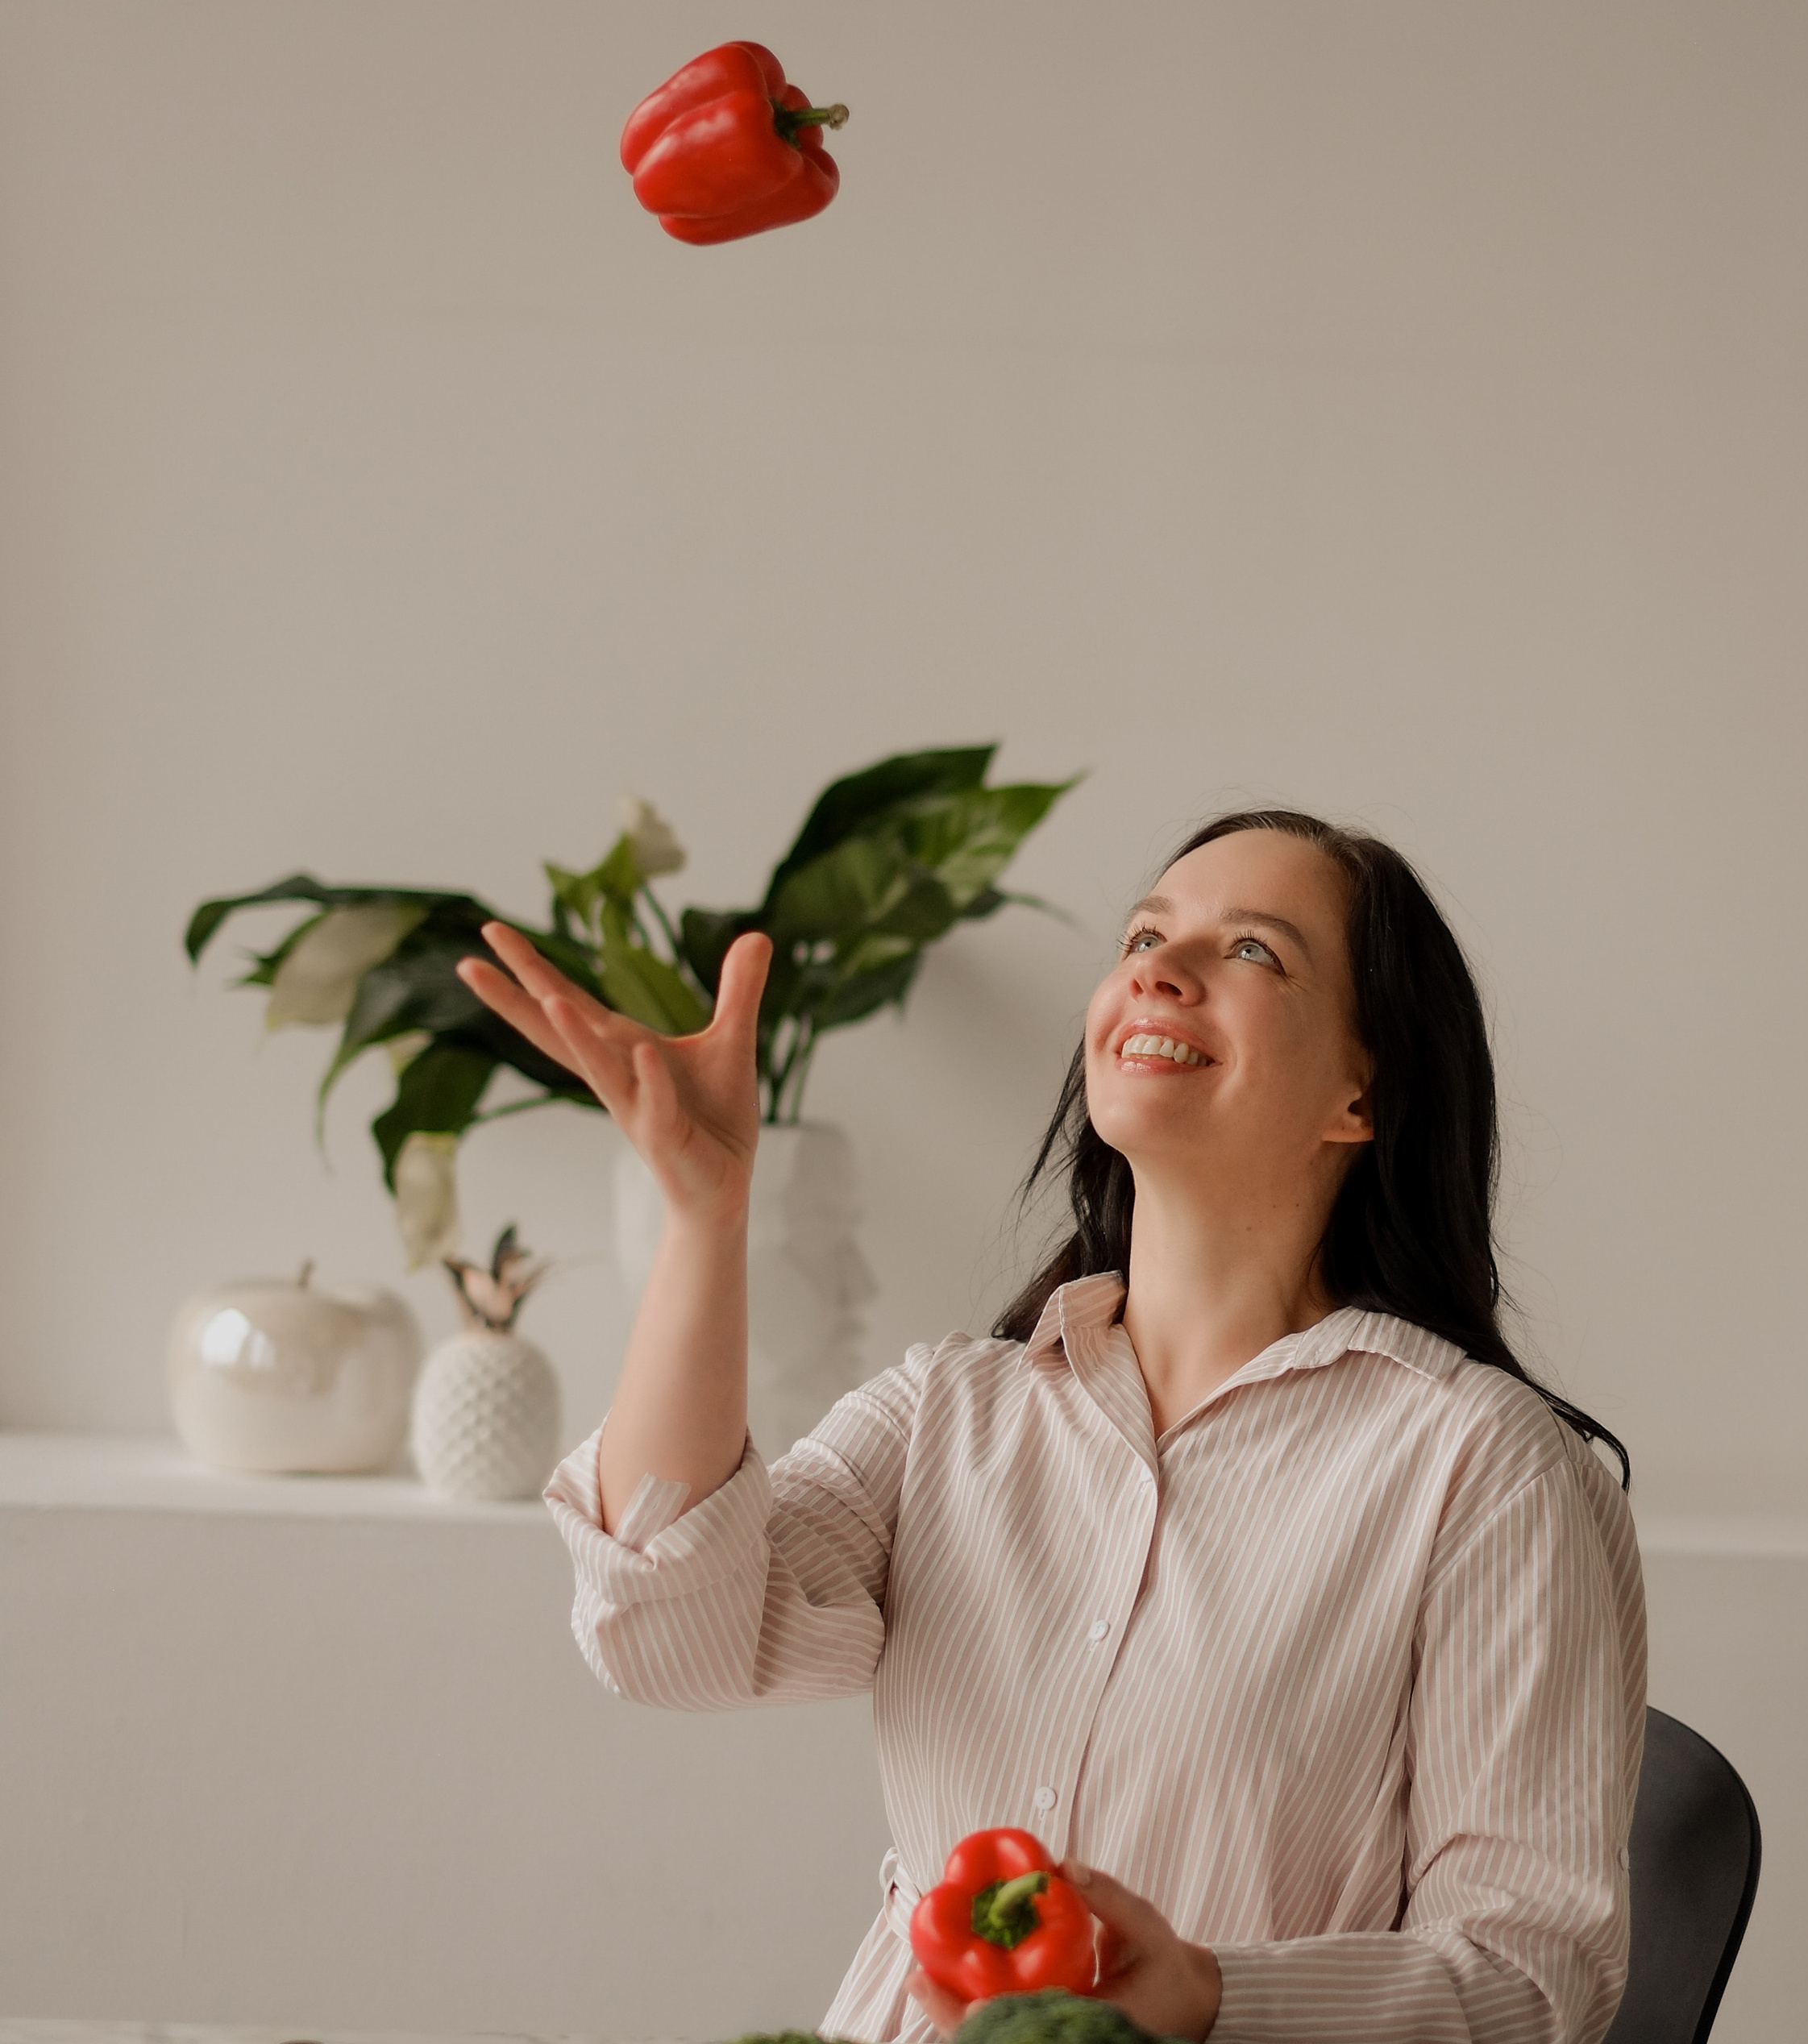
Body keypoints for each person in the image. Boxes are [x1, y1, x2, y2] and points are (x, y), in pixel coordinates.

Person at [458, 808, 1646, 2044]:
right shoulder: (946, 1413)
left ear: (1363, 1089)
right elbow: (676, 1643)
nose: (1157, 968)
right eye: (1145, 933)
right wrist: (704, 1220)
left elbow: (1529, 1988)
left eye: (1252, 952)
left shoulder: (1483, 1469)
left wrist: (1207, 1998)